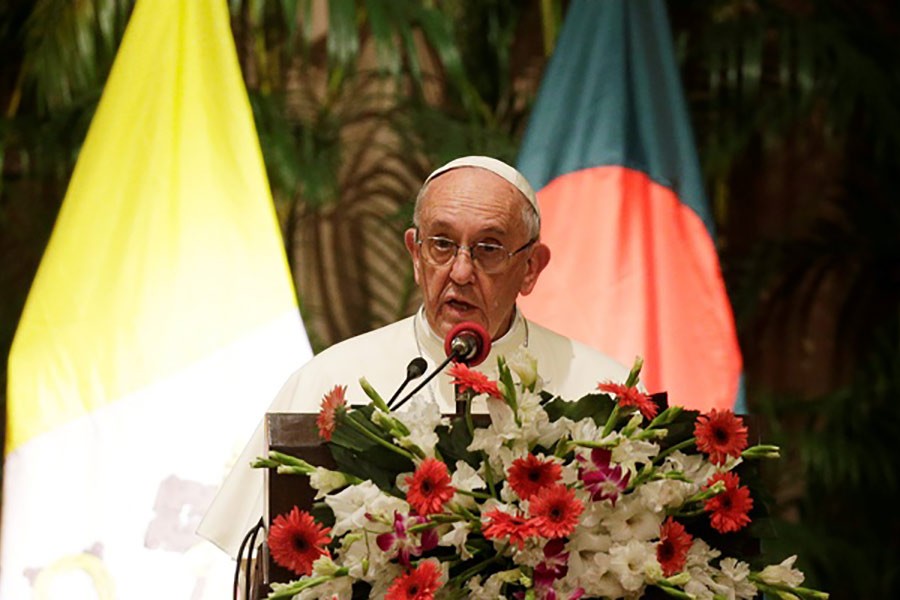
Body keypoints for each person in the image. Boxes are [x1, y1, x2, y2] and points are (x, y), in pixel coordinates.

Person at [198, 156, 631, 556]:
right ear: (415, 254)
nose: (460, 272)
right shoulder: (333, 381)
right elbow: (255, 560)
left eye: (489, 249)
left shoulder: (603, 393)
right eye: (441, 244)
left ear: (532, 267)